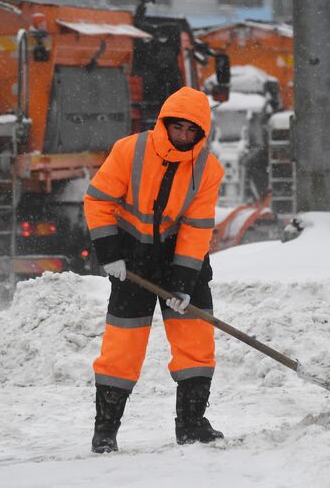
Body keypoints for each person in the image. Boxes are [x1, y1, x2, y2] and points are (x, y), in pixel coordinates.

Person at [83, 86, 225, 453]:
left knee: (196, 342)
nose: (183, 136)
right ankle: (105, 431)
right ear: (165, 123)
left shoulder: (208, 169)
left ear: (201, 133)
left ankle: (191, 424)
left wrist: (183, 282)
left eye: (191, 130)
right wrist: (110, 254)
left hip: (182, 262)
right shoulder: (130, 150)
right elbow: (98, 202)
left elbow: (196, 229)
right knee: (122, 347)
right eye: (177, 127)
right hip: (131, 262)